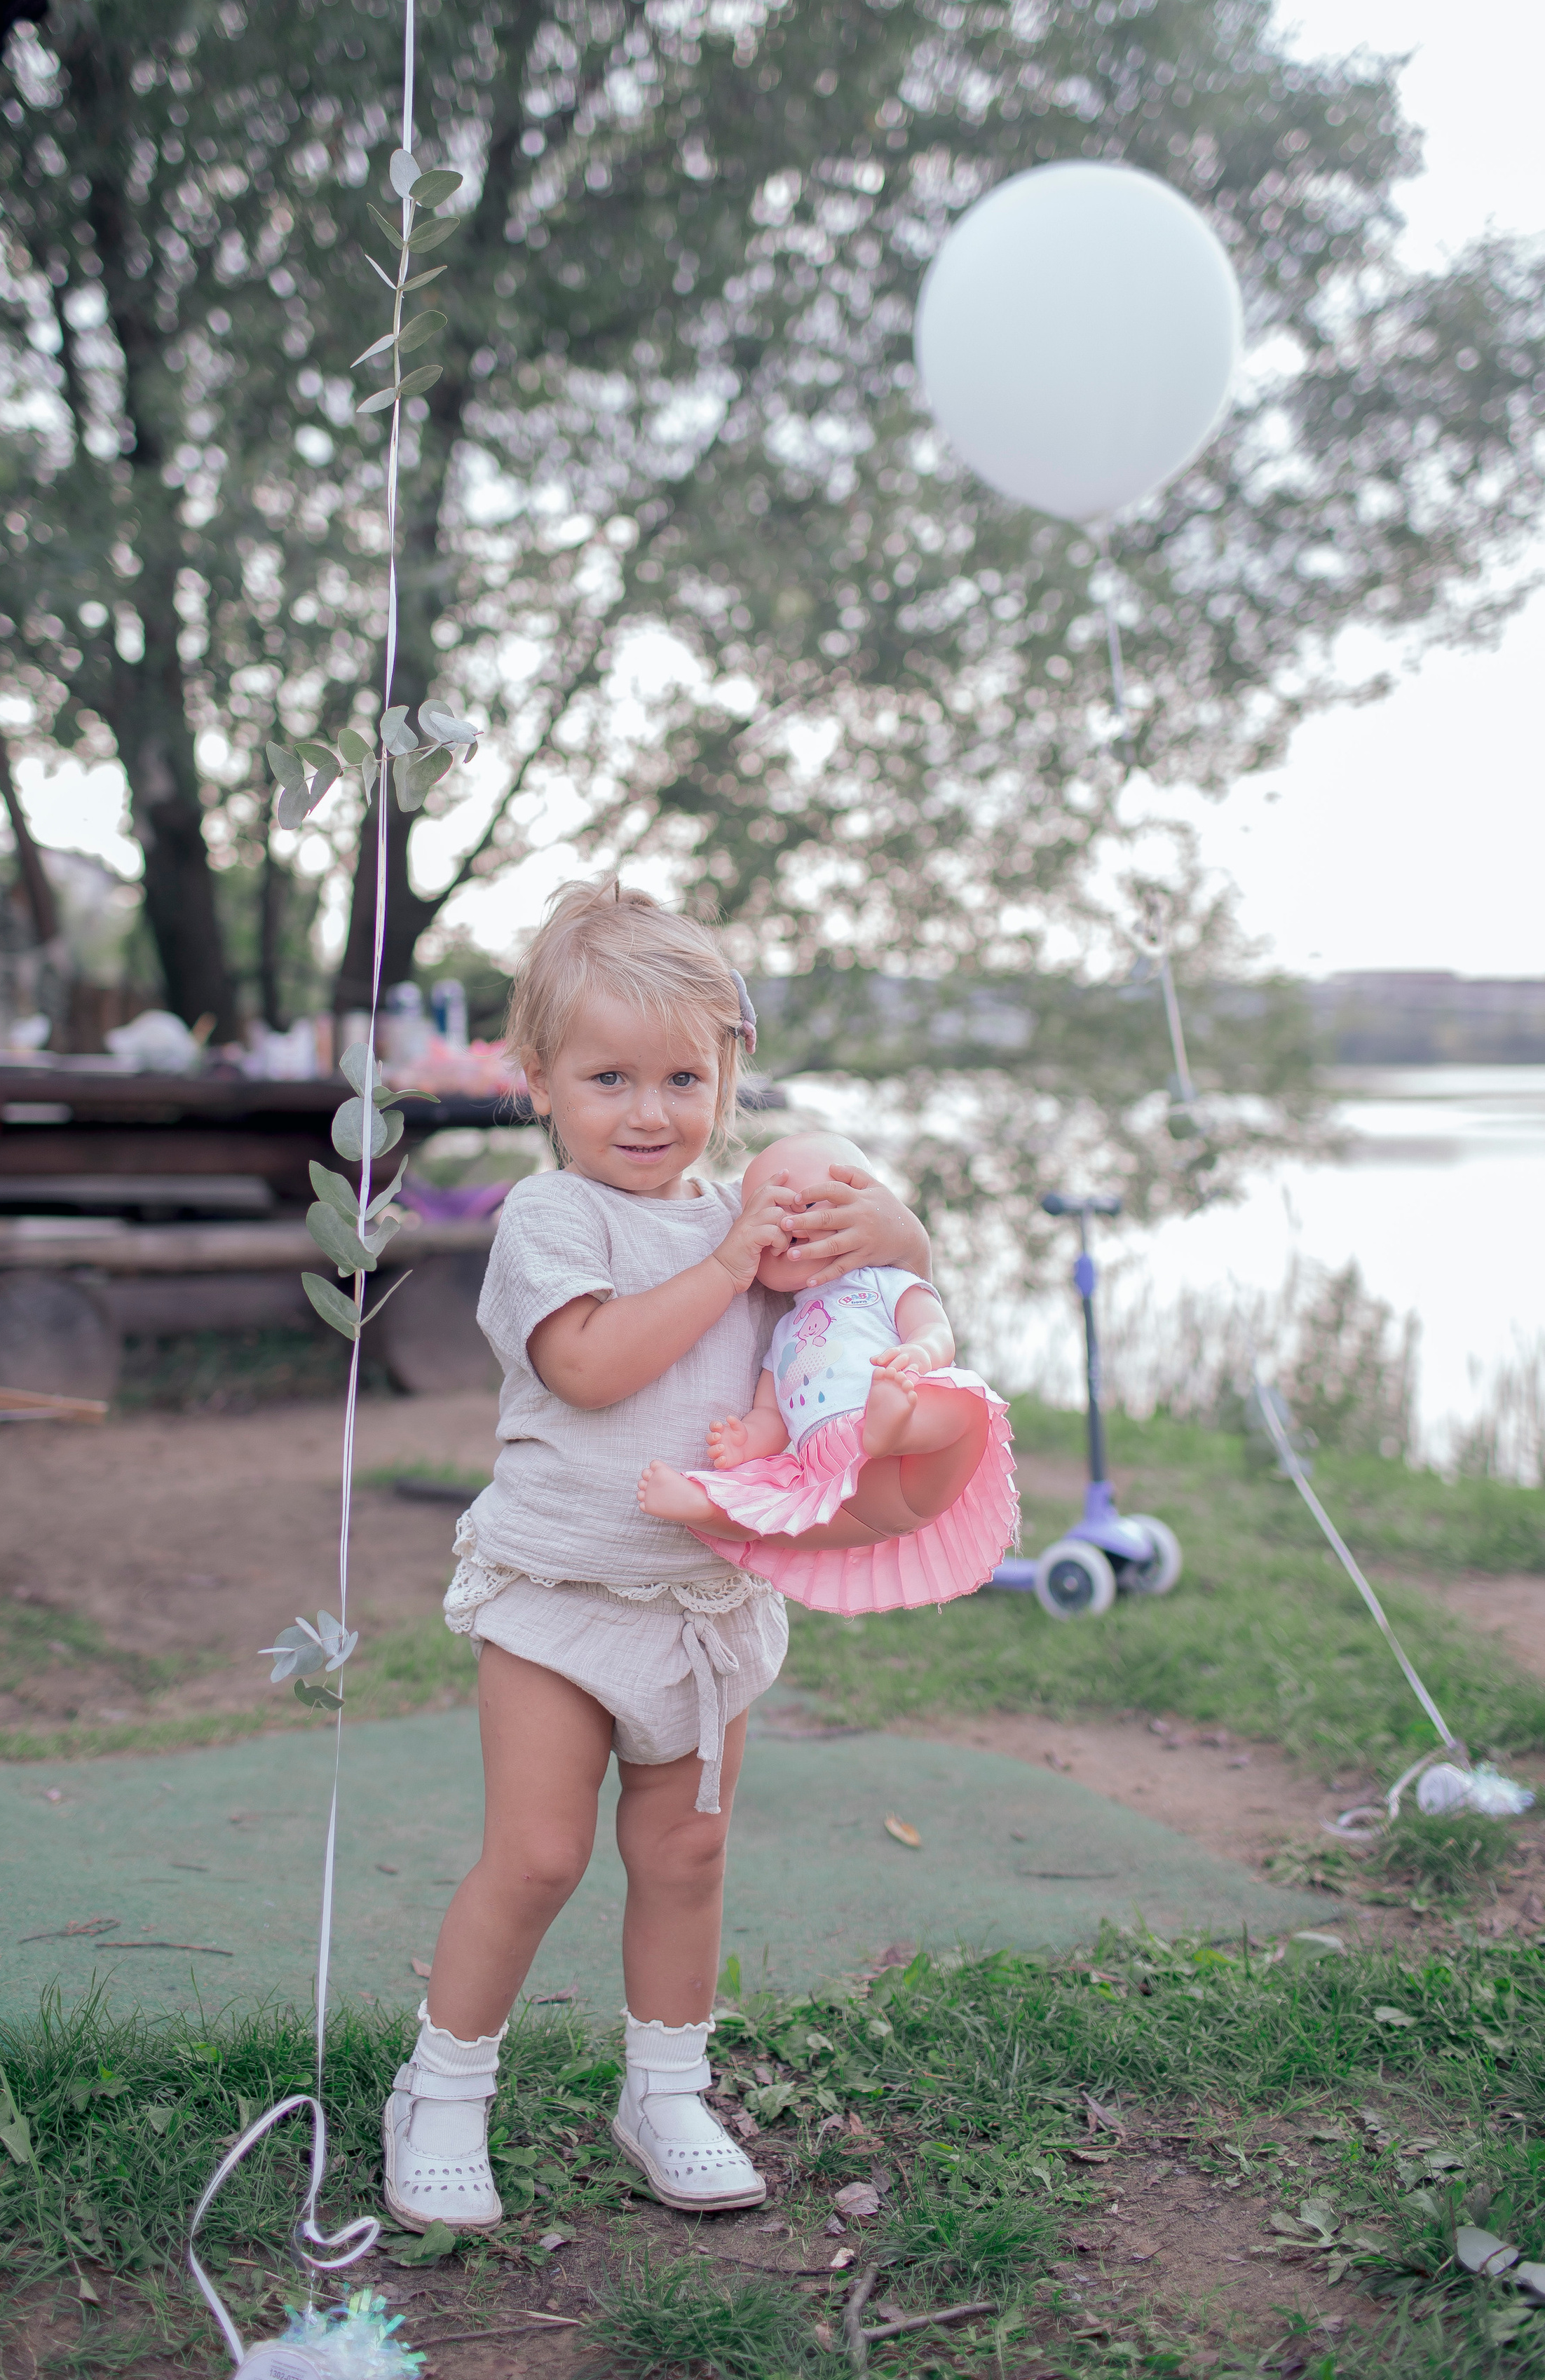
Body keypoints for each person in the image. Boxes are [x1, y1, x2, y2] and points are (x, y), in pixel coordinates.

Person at [383, 880, 934, 2233]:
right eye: (609, 1076)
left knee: (685, 1856)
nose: (648, 1110)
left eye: (684, 1075)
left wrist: (905, 1247)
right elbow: (586, 1366)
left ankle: (666, 2088)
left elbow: (877, 1309)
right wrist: (732, 1260)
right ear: (539, 1084)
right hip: (560, 1599)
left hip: (705, 1601)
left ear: (730, 1072)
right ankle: (443, 2092)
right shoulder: (555, 1222)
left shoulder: (758, 1217)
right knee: (538, 1854)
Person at [639, 1129, 1017, 1613]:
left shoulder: (885, 1282)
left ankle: (897, 1424)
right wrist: (746, 1441)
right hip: (836, 1483)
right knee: (777, 1516)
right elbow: (771, 1414)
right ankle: (703, 1506)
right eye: (771, 1211)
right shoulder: (783, 1331)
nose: (791, 1220)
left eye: (814, 1204)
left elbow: (936, 1332)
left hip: (912, 1463)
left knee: (967, 1409)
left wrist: (919, 1355)